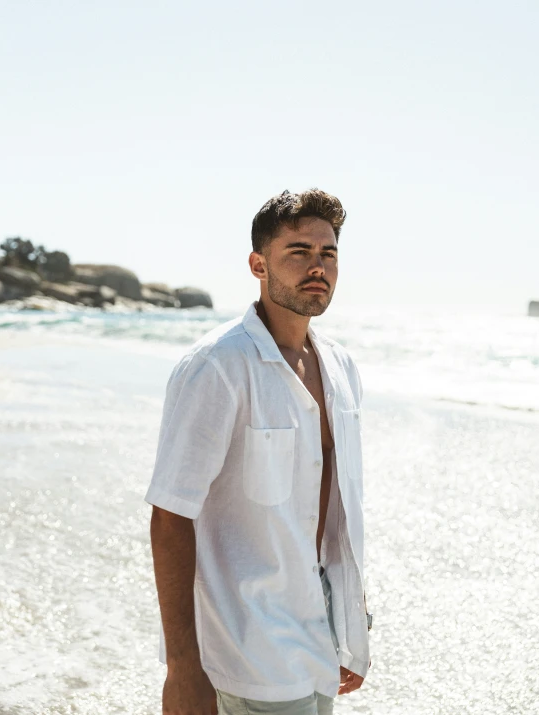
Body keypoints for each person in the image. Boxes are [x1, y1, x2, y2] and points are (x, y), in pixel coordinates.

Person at [145, 188, 372, 715]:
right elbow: (169, 516)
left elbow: (334, 517)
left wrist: (350, 624)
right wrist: (183, 670)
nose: (318, 267)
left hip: (317, 639)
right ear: (258, 264)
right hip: (245, 651)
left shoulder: (341, 370)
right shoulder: (218, 366)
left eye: (328, 254)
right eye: (298, 252)